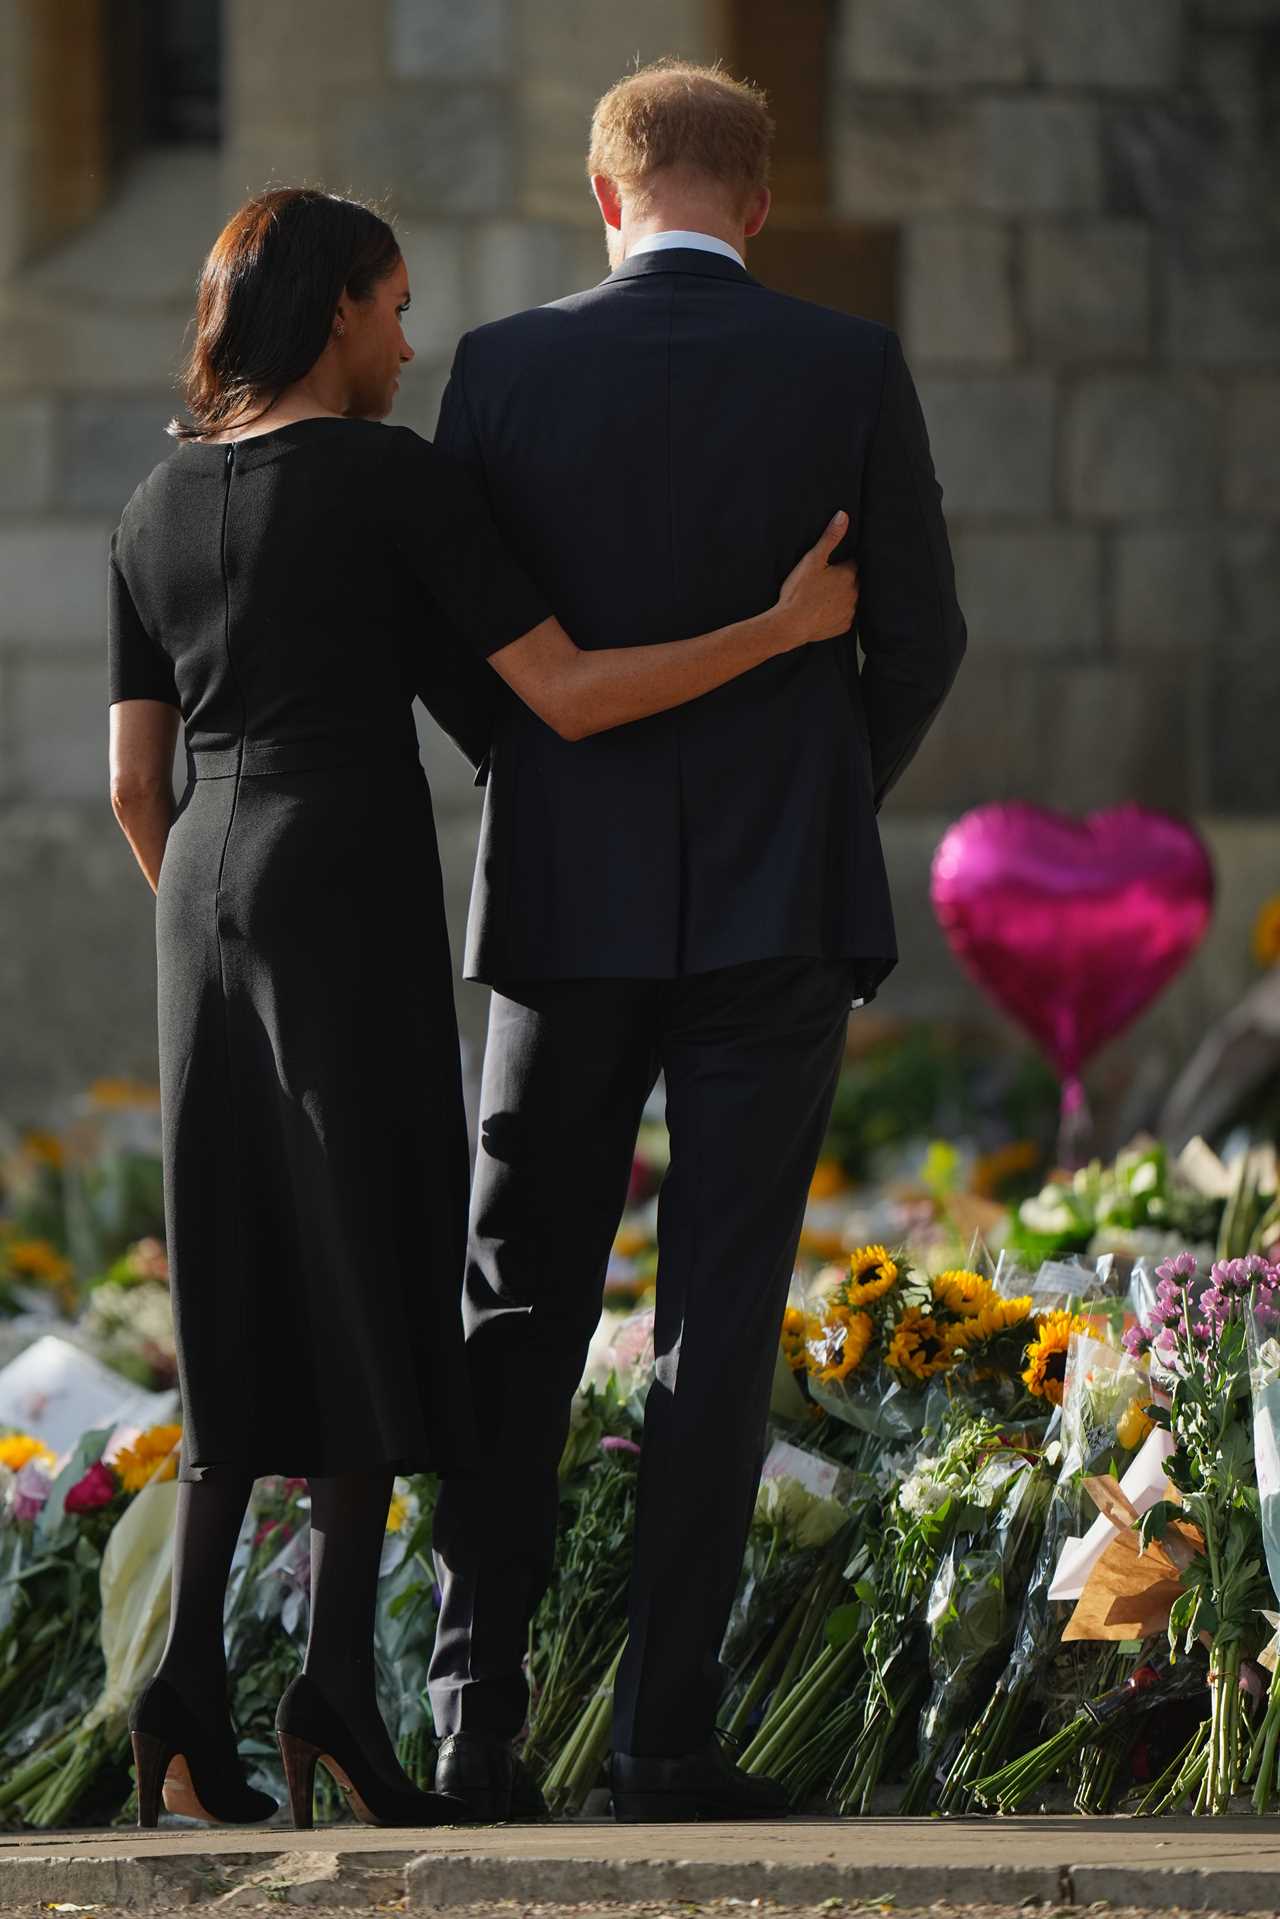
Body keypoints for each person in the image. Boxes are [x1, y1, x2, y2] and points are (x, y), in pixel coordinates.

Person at [106, 185, 858, 1831]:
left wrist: (206, 916)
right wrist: (785, 628)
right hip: (341, 884)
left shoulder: (154, 500)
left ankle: (178, 1692)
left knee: (234, 1266)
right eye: (390, 306)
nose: (408, 336)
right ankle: (339, 1695)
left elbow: (131, 780)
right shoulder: (391, 478)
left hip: (199, 904)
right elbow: (564, 698)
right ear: (333, 318)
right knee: (377, 1255)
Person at [426, 61, 967, 1824]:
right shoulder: (848, 366)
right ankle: (664, 1743)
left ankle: (471, 1718)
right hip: (774, 912)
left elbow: (458, 653)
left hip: (564, 906)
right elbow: (928, 634)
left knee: (516, 1300)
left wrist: (554, 777)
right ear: (755, 201)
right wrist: (817, 789)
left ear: (606, 195)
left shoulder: (502, 369)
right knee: (716, 1321)